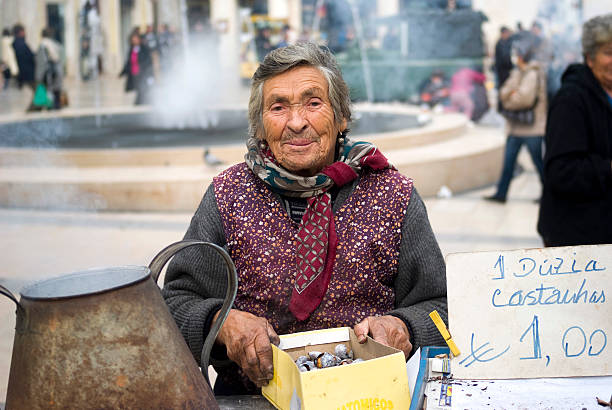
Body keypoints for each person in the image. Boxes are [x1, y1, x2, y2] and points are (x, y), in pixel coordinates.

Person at [162, 42, 447, 395]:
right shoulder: (227, 194)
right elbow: (174, 305)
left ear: (340, 116)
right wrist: (222, 324)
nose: (296, 123)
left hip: (368, 398)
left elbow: (442, 307)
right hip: (252, 399)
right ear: (260, 126)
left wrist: (405, 327)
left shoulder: (393, 194)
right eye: (278, 107)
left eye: (313, 103)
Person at [537, 13, 612, 246]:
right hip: (578, 237)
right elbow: (562, 172)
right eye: (609, 53)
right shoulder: (571, 100)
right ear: (590, 58)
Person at [485, 40, 546, 203]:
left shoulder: (532, 73)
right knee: (508, 163)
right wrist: (510, 95)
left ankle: (549, 193)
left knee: (538, 162)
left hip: (532, 129)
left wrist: (510, 98)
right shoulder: (518, 72)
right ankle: (501, 194)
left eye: (516, 53)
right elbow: (504, 91)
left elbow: (523, 99)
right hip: (516, 127)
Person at [119, 32, 153, 105]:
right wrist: (122, 72)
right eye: (133, 40)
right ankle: (140, 101)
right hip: (134, 72)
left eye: (136, 39)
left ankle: (139, 102)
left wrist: (146, 70)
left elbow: (148, 60)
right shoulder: (132, 49)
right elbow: (128, 61)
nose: (134, 41)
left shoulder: (144, 48)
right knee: (138, 88)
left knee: (142, 87)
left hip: (143, 72)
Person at [35, 28, 64, 110]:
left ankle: (50, 107)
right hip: (57, 69)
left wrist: (39, 75)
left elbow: (42, 61)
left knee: (49, 90)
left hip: (49, 71)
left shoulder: (43, 44)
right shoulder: (54, 43)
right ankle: (57, 106)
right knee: (56, 90)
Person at [493, 26, 514, 109]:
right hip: (502, 71)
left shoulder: (506, 42)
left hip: (504, 70)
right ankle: (501, 107)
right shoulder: (500, 44)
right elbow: (505, 58)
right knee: (502, 89)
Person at [11, 24, 35, 90]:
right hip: (28, 72)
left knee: (37, 92)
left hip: (26, 71)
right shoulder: (20, 44)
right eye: (23, 31)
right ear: (20, 32)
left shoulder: (18, 43)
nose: (25, 33)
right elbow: (27, 57)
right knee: (38, 91)